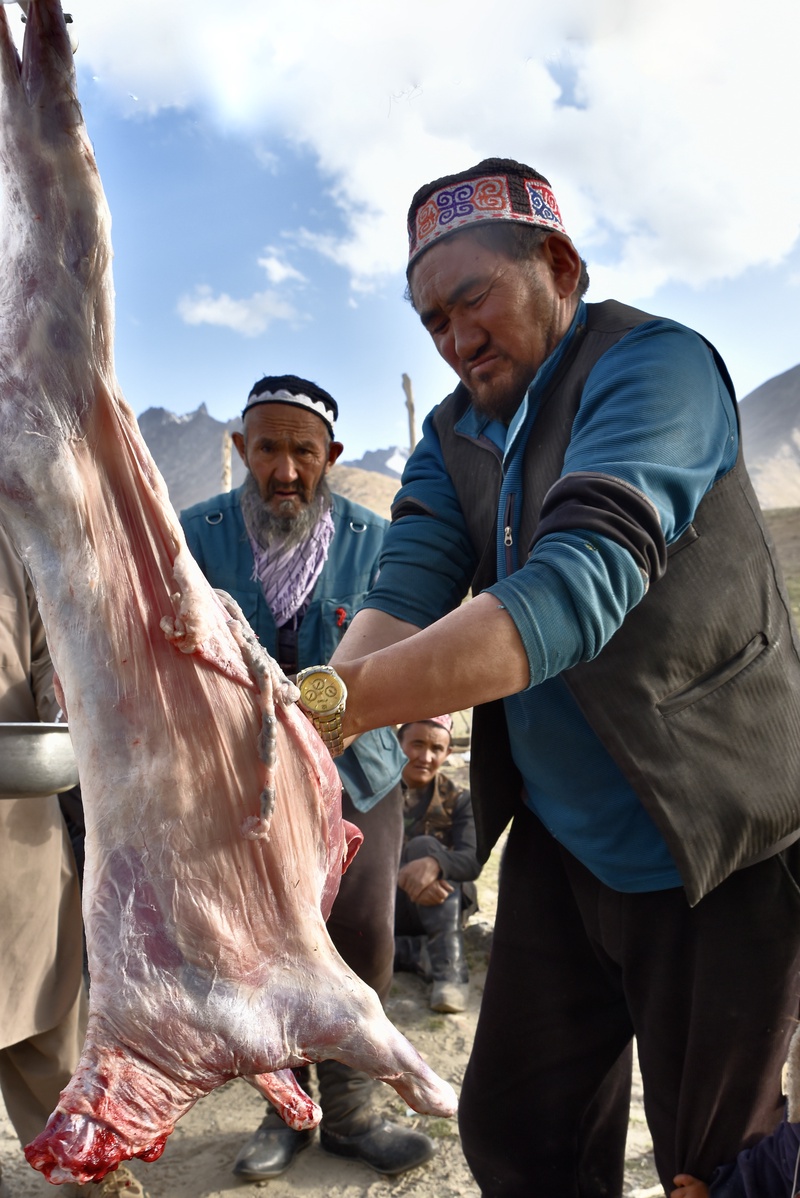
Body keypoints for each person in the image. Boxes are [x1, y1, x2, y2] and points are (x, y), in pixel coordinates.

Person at [313, 158, 800, 1195]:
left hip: (711, 844)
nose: (453, 338)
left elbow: (573, 589)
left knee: (715, 1163)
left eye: (470, 299)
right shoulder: (451, 435)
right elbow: (403, 591)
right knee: (518, 1132)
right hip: (562, 843)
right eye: (431, 320)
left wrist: (337, 708)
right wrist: (313, 717)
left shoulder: (650, 368)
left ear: (559, 264)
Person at [180, 374, 435, 1181]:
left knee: (362, 933)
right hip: (241, 782)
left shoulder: (378, 537)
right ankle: (287, 1109)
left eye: (302, 451)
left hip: (362, 769)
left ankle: (355, 1111)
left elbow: (420, 640)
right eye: (267, 448)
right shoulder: (192, 536)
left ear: (332, 456)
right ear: (240, 450)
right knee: (264, 947)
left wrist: (425, 718)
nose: (284, 470)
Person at [0, 525, 148, 1198]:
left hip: (16, 834)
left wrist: (72, 709)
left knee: (50, 1030)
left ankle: (89, 1179)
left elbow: (44, 656)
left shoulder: (9, 532)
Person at [393, 714, 479, 1013]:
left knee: (424, 846)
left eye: (436, 749)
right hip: (388, 904)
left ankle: (450, 974)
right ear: (397, 743)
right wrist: (401, 876)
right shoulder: (375, 797)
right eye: (416, 744)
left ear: (447, 753)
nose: (426, 757)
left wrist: (433, 864)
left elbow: (472, 859)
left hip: (444, 900)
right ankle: (419, 953)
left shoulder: (460, 800)